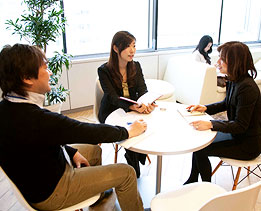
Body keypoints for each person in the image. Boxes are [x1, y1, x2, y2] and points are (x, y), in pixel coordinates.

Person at [0, 43, 148, 211]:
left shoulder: (8, 108)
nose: (50, 73)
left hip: (39, 176)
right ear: (27, 77)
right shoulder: (37, 119)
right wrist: (127, 131)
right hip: (54, 190)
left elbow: (40, 139)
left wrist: (71, 152)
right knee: (127, 173)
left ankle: (98, 199)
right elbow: (85, 130)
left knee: (93, 151)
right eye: (45, 67)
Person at [184, 41, 261, 185]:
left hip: (247, 144)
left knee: (201, 149)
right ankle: (193, 179)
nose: (218, 62)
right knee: (199, 142)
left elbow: (240, 126)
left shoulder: (247, 88)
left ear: (234, 62)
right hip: (236, 135)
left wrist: (211, 124)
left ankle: (206, 187)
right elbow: (226, 103)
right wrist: (205, 108)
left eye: (222, 58)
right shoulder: (234, 79)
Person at [97, 31, 157, 178]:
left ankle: (134, 157)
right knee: (131, 129)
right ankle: (133, 159)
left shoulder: (136, 66)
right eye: (128, 46)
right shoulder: (104, 70)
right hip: (111, 110)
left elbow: (143, 90)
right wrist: (131, 106)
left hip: (133, 109)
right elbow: (112, 97)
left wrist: (146, 103)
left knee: (147, 125)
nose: (132, 51)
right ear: (116, 49)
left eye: (134, 46)